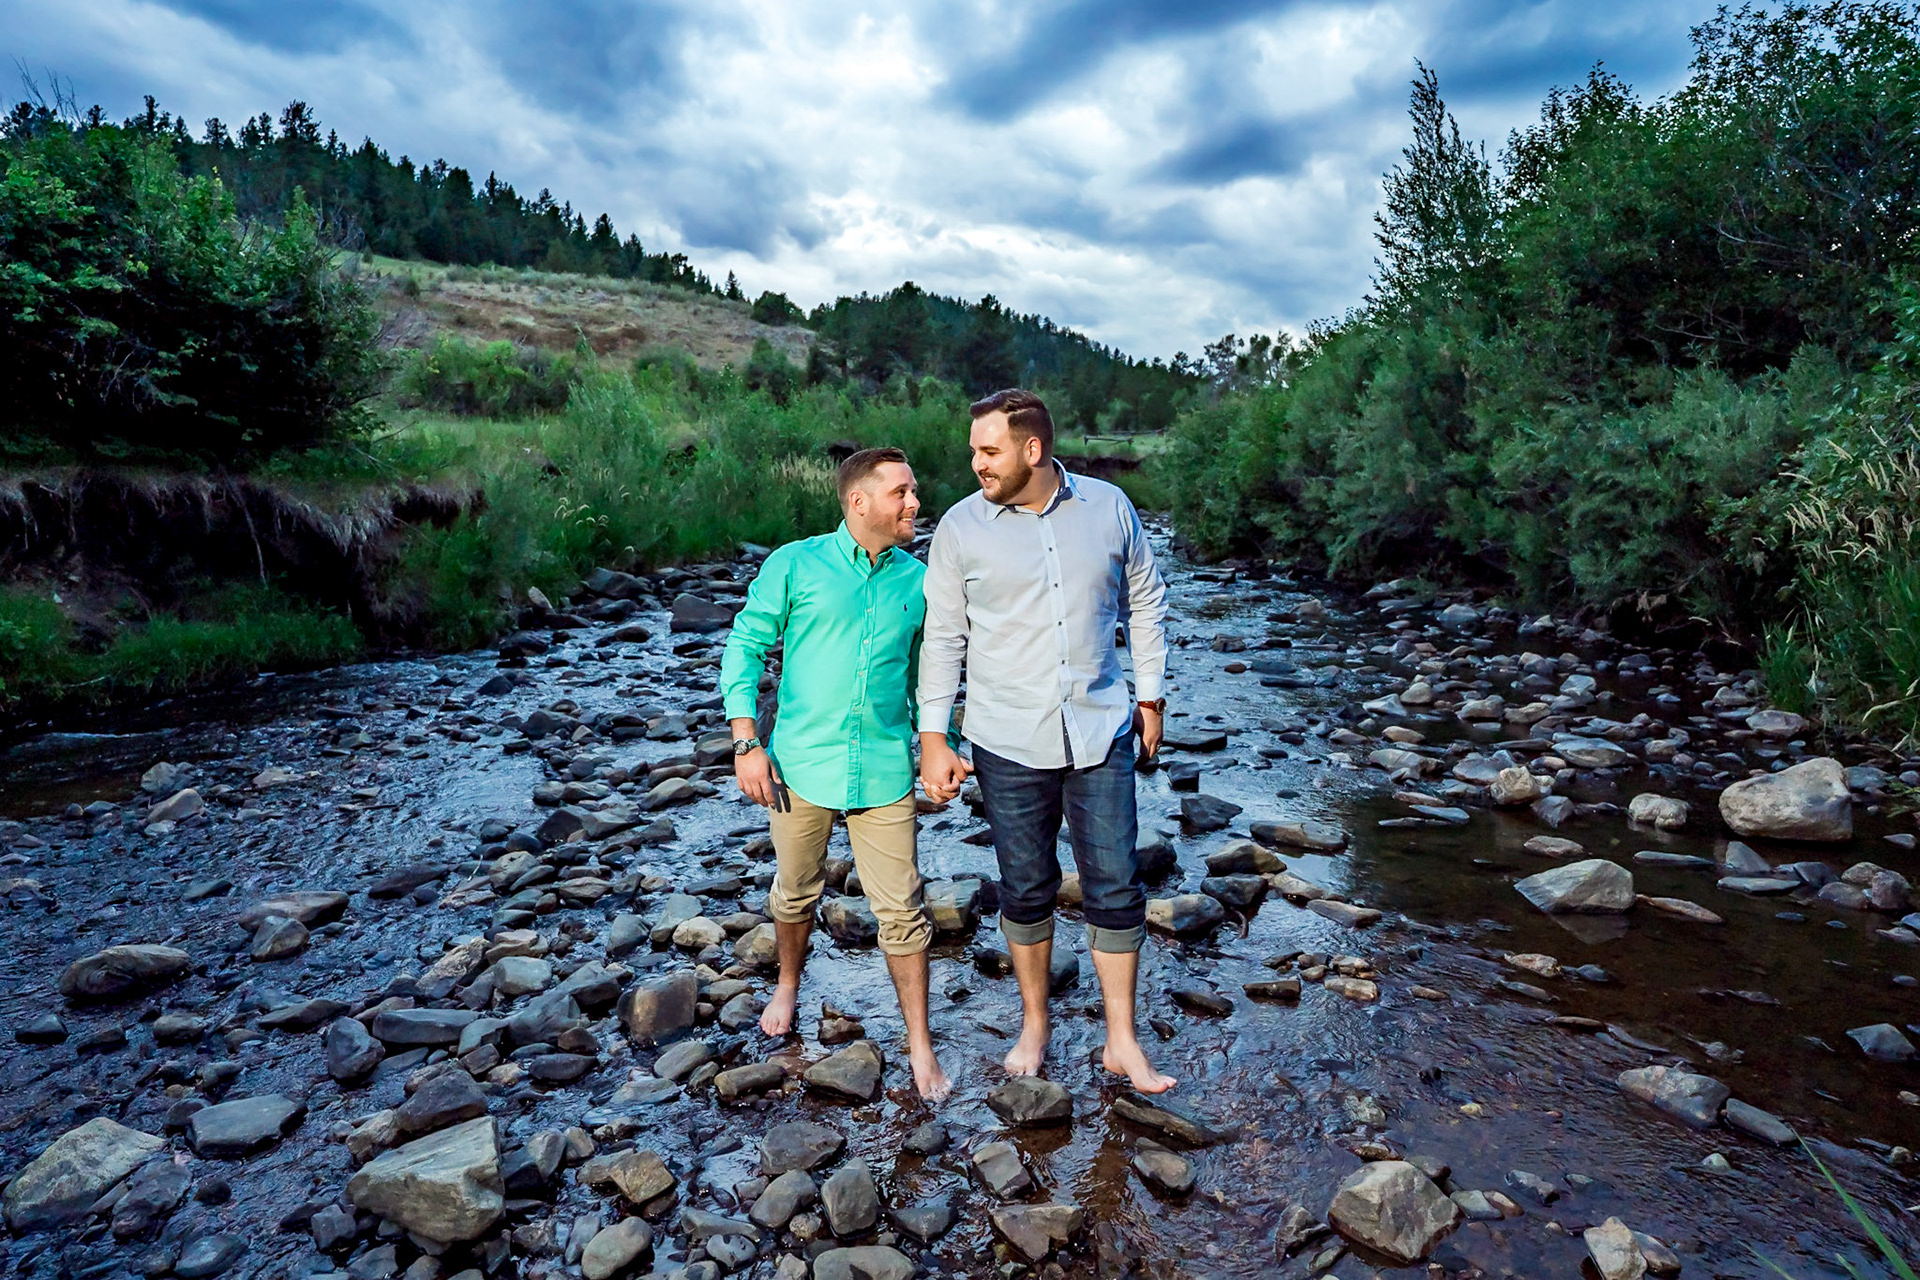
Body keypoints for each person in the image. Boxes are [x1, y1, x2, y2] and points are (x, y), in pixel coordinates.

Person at [918, 388, 1175, 1093]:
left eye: (989, 450)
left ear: (1033, 450)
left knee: (1116, 885)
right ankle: (1036, 1023)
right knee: (1025, 890)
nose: (975, 463)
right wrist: (933, 737)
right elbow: (943, 636)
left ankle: (1121, 1040)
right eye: (974, 449)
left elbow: (1147, 598)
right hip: (1005, 736)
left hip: (1101, 727)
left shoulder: (1109, 508)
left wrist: (1150, 695)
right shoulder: (961, 529)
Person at [720, 446, 951, 1101]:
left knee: (903, 912)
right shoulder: (795, 564)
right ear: (860, 502)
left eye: (914, 491)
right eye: (902, 493)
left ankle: (920, 1046)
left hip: (883, 770)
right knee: (794, 893)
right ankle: (788, 983)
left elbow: (932, 679)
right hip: (799, 767)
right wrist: (746, 741)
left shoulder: (920, 582)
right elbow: (745, 643)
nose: (914, 503)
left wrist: (944, 744)